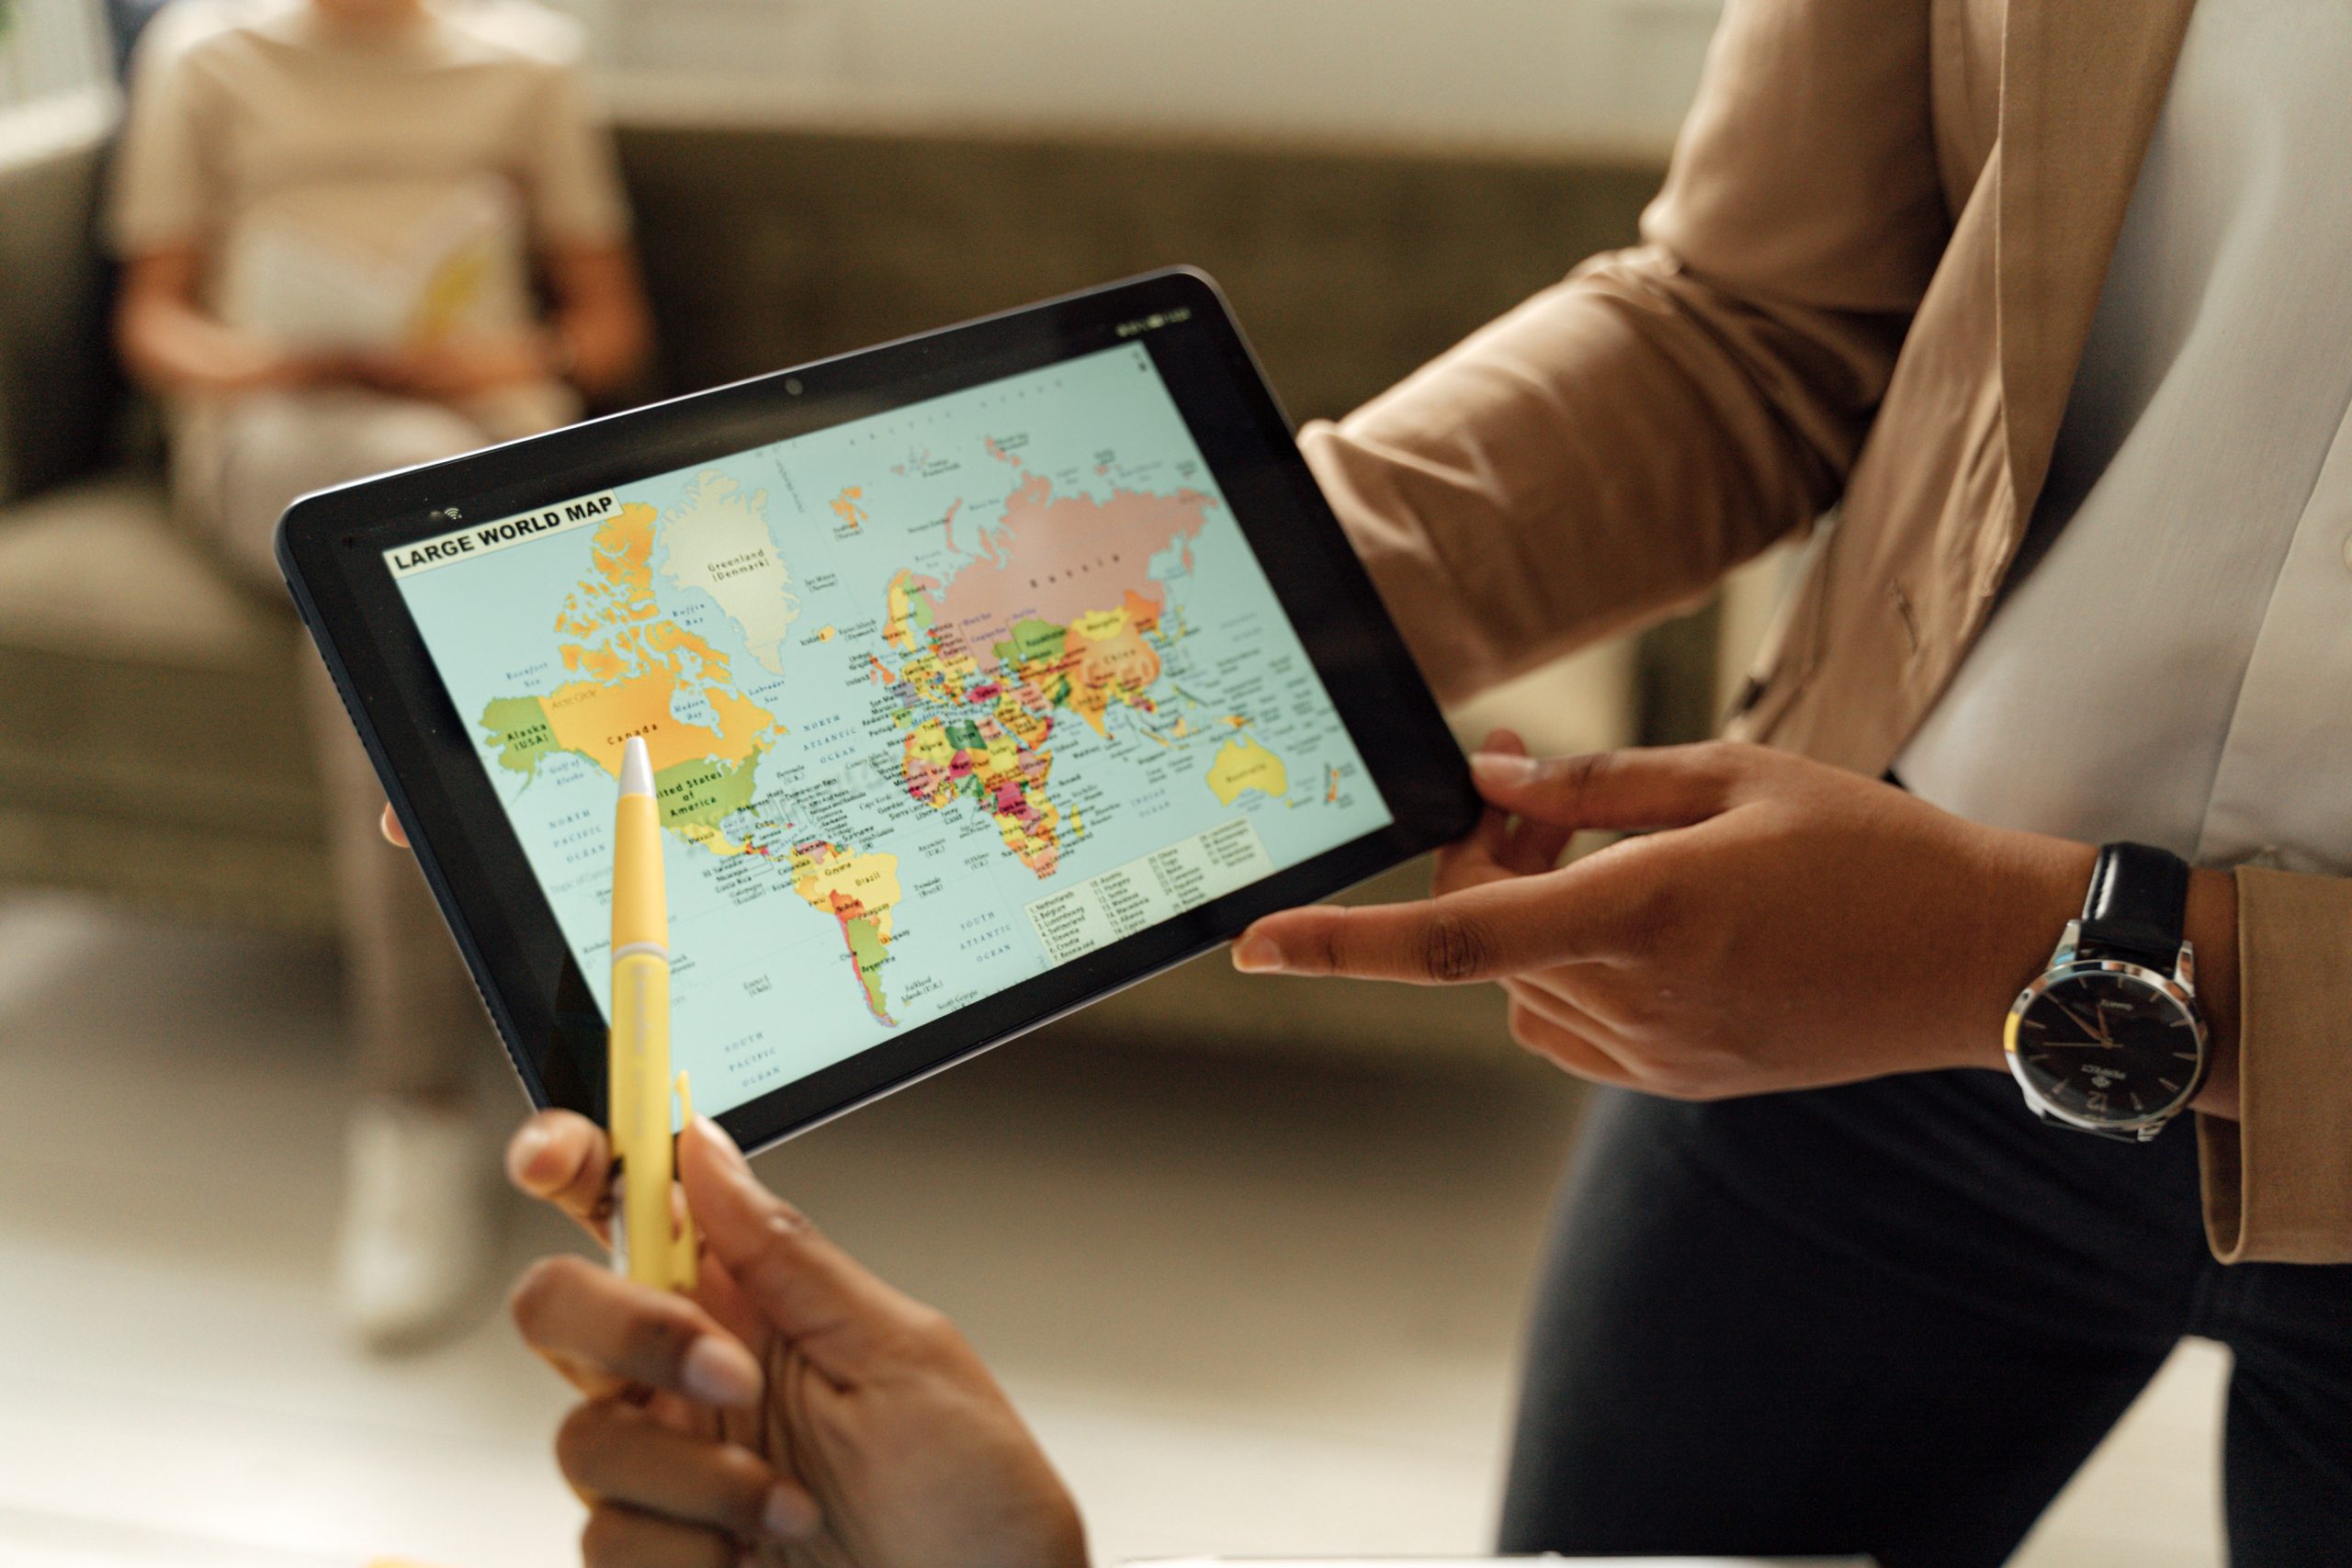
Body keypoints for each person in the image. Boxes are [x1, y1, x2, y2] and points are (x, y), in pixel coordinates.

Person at [481, 0, 2352, 1560]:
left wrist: (1999, 950)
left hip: (1888, 945)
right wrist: (1082, 647)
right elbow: (1753, 321)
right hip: (1838, 1004)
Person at [111, 0, 650, 1347]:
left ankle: (590, 1075)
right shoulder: (204, 54)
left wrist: (500, 357)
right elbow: (155, 320)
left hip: (479, 425)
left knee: (426, 558)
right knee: (383, 562)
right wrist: (277, 359)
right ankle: (414, 1110)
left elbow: (606, 327)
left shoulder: (531, 62)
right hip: (282, 431)